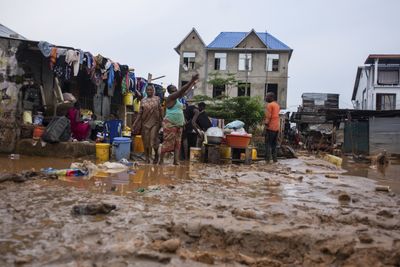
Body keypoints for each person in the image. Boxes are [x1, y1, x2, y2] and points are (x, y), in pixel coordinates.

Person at [159, 73, 199, 165]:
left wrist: (193, 84)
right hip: (170, 123)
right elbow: (182, 90)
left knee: (178, 143)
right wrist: (191, 81)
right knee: (167, 142)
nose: (175, 90)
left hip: (179, 124)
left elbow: (184, 92)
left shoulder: (178, 99)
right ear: (169, 92)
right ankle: (161, 160)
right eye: (173, 90)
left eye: (175, 89)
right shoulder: (170, 97)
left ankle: (176, 161)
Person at [133, 84, 163, 164]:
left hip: (155, 123)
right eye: (148, 90)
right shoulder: (143, 100)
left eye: (151, 90)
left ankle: (156, 155)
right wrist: (135, 123)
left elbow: (160, 111)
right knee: (146, 142)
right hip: (145, 123)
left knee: (152, 141)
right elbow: (140, 113)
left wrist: (162, 121)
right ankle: (147, 158)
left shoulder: (157, 99)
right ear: (146, 91)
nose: (150, 91)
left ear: (154, 90)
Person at [264, 92, 280, 163]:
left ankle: (267, 160)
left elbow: (268, 116)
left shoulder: (269, 105)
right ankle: (275, 160)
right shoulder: (277, 105)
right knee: (274, 144)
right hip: (276, 127)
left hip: (270, 127)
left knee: (268, 144)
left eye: (267, 96)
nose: (265, 98)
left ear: (271, 97)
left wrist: (266, 124)